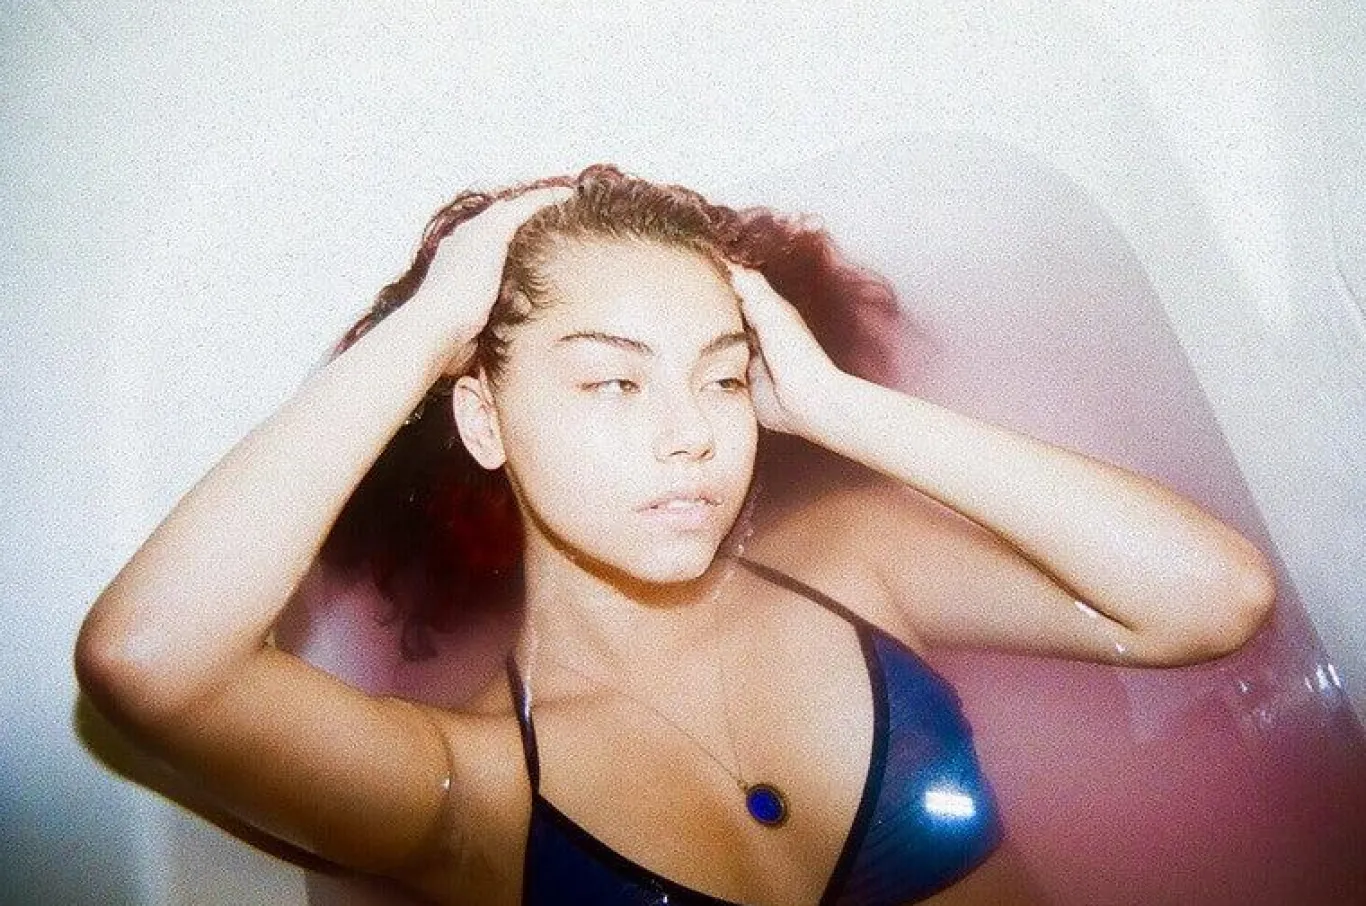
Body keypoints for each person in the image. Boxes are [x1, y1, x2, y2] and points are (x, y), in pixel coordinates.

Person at [75, 165, 1276, 906]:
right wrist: (433, 326)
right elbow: (150, 664)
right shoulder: (471, 786)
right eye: (612, 382)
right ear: (484, 420)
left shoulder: (854, 564)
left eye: (721, 377)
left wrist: (838, 407)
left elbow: (1211, 599)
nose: (690, 435)